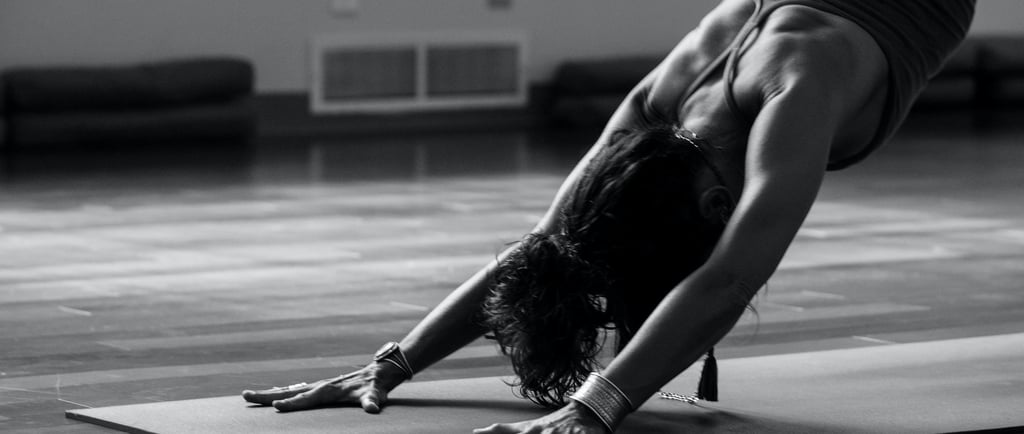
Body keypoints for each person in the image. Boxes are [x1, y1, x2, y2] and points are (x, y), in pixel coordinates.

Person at [242, 0, 975, 432]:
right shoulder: (655, 109)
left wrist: (598, 405)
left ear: (719, 205)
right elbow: (543, 248)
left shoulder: (797, 87)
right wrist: (393, 363)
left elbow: (724, 282)